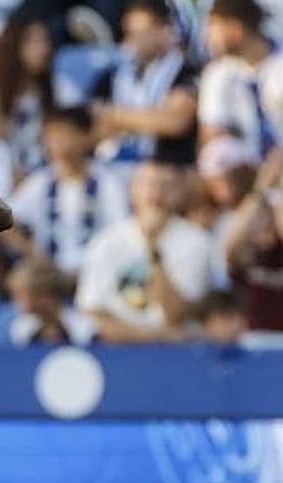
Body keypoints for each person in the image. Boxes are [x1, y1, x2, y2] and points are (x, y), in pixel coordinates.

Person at [76, 159, 216, 342]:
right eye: (147, 184)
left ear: (179, 192)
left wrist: (152, 248)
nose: (155, 194)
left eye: (165, 185)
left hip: (176, 355)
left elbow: (176, 314)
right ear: (132, 190)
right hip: (118, 350)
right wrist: (153, 337)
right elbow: (92, 312)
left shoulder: (197, 243)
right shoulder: (105, 243)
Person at [10, 107, 129, 279]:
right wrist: (31, 252)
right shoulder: (40, 182)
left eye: (64, 135)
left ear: (86, 136)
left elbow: (121, 230)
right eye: (50, 137)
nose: (57, 144)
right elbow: (5, 221)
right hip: (49, 273)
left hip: (94, 272)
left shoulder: (107, 182)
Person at [91, 0, 199, 169]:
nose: (134, 38)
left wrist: (114, 115)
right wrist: (148, 119)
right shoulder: (112, 75)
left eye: (143, 32)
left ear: (165, 30)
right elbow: (93, 124)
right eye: (130, 31)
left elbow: (175, 121)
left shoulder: (185, 71)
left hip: (166, 166)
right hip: (114, 164)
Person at [199, 0, 283, 158]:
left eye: (213, 26)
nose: (207, 36)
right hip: (251, 164)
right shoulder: (217, 73)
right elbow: (212, 132)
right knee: (216, 155)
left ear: (235, 30)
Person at [221, 146, 283, 331]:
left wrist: (279, 192)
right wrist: (261, 189)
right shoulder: (246, 253)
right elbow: (230, 246)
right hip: (252, 344)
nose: (266, 221)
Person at [0, 13, 55, 178]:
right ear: (15, 45)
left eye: (45, 40)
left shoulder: (54, 88)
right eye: (34, 41)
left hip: (41, 174)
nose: (44, 48)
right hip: (0, 173)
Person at [0, 257, 97, 345]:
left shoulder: (86, 327)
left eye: (20, 295)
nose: (16, 303)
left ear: (45, 297)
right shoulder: (7, 326)